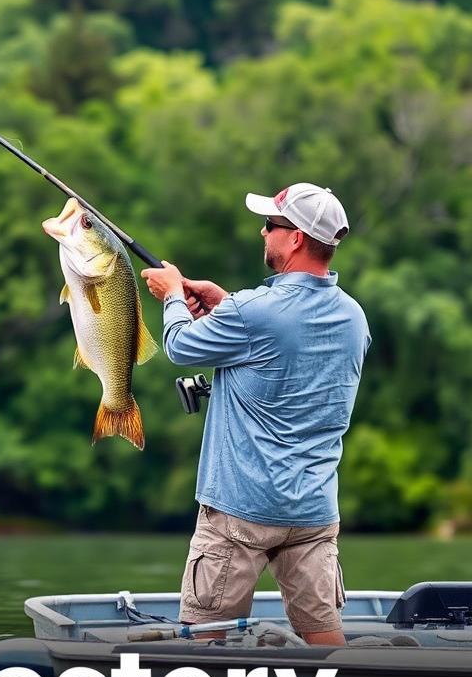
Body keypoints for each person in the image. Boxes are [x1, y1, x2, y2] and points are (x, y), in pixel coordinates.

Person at [141, 183, 370, 646]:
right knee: (324, 637)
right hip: (312, 511)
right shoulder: (354, 318)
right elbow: (285, 344)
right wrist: (227, 307)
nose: (263, 231)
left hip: (239, 511)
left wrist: (170, 296)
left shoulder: (254, 312)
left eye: (271, 224)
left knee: (206, 643)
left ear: (296, 238)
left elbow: (180, 346)